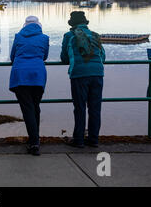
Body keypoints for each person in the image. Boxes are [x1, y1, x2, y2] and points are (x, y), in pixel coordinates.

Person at [60, 11, 106, 148]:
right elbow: (103, 56)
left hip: (79, 75)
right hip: (98, 73)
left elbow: (64, 57)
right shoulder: (96, 35)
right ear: (85, 23)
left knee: (80, 108)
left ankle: (79, 140)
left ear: (72, 24)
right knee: (95, 108)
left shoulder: (69, 35)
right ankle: (93, 140)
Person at [9, 16, 49, 156]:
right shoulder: (44, 38)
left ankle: (34, 143)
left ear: (24, 25)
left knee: (28, 109)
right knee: (35, 107)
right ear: (39, 25)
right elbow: (45, 56)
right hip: (38, 75)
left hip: (21, 75)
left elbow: (12, 56)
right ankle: (35, 140)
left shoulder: (18, 36)